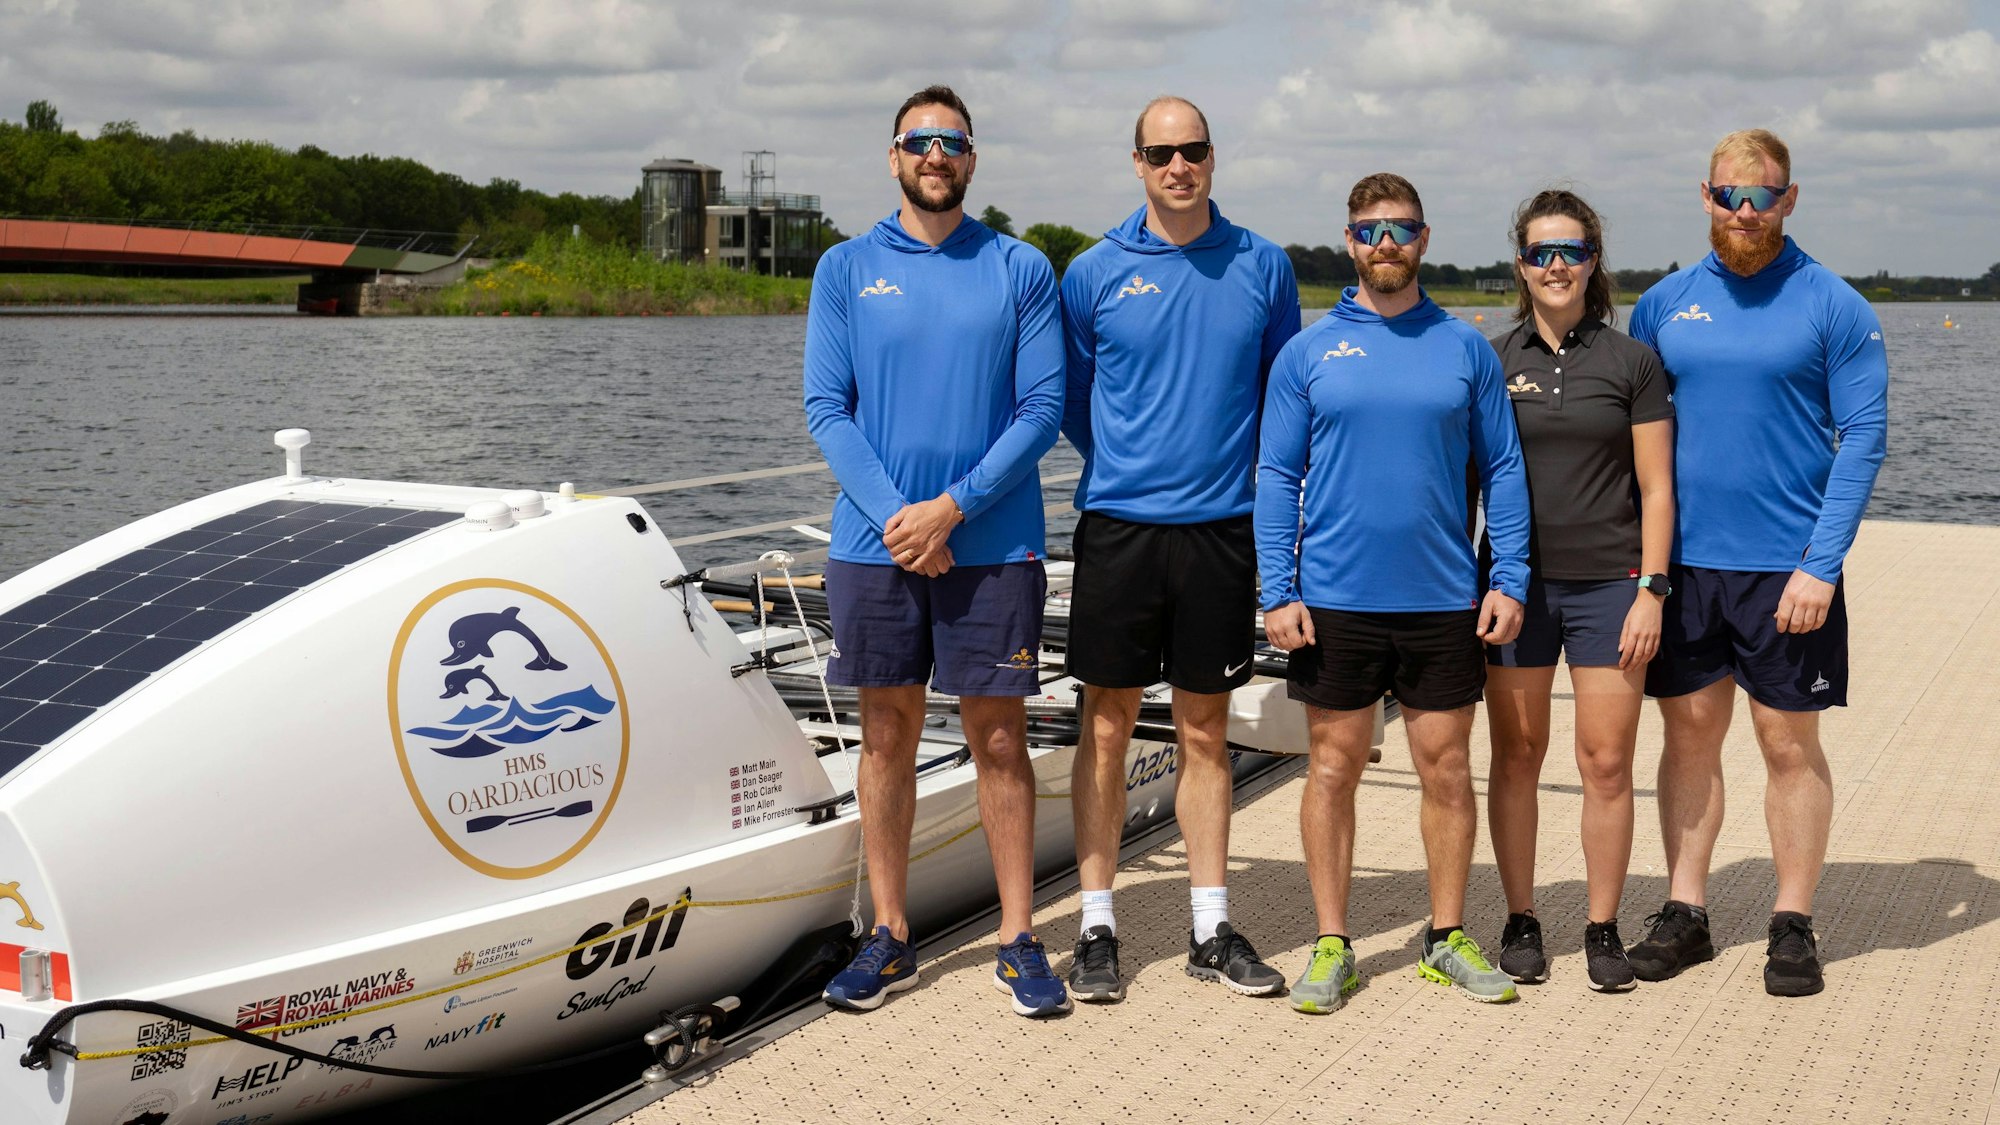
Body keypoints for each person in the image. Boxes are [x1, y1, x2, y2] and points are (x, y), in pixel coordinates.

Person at [803, 84, 1069, 1017]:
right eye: (919, 141)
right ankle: (890, 934)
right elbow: (826, 410)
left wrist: (949, 511)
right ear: (894, 157)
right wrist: (899, 520)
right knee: (886, 734)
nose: (935, 154)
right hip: (876, 548)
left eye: (951, 141)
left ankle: (1017, 936)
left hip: (992, 546)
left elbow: (1043, 411)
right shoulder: (844, 268)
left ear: (971, 158)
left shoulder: (1019, 267)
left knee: (999, 736)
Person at [1257, 172, 1532, 1013]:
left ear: (1423, 238)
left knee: (1447, 770)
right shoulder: (1308, 351)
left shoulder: (1464, 348)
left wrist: (1509, 576)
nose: (1386, 243)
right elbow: (1275, 473)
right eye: (1370, 230)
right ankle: (1332, 943)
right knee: (1333, 768)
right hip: (1334, 600)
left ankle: (1445, 936)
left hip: (1445, 598)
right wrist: (1278, 587)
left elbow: (1506, 471)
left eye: (1401, 229)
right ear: (1349, 240)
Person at [1626, 129, 1888, 997]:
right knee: (1690, 736)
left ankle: (1792, 921)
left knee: (1787, 741)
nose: (1746, 211)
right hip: (1685, 569)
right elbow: (1639, 441)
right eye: (1730, 195)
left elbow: (1864, 439)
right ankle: (1686, 912)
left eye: (1763, 195)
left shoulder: (1833, 305)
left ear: (1790, 198)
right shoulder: (1662, 305)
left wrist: (1822, 563)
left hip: (1788, 569)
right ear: (1705, 196)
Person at [1057, 95, 1301, 1002]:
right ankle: (1095, 926)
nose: (1178, 166)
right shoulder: (1093, 271)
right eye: (1160, 153)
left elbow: (1284, 403)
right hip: (1120, 527)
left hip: (1220, 530)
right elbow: (1074, 401)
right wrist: (1131, 464)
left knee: (1205, 728)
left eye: (1192, 149)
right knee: (1107, 726)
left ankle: (1208, 925)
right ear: (1137, 162)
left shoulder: (1263, 265)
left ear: (1212, 156)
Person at [1480, 190, 1675, 993]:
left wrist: (1652, 592)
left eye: (1571, 250)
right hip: (1518, 588)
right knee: (1517, 754)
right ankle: (1522, 916)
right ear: (1520, 263)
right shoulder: (1493, 360)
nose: (1555, 265)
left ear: (1594, 260)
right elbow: (1465, 483)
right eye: (1539, 252)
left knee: (1605, 761)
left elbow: (1658, 490)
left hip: (1611, 586)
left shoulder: (1631, 362)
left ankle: (1602, 924)